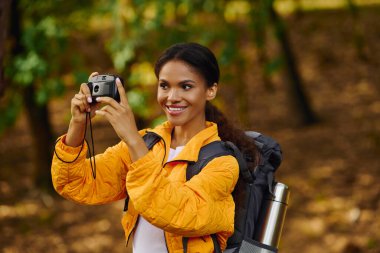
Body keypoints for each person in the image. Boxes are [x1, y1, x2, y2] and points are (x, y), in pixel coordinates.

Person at [51, 42, 257, 252]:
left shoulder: (223, 162)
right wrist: (77, 124)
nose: (172, 97)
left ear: (211, 90)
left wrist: (132, 139)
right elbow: (74, 183)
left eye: (186, 86)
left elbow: (178, 213)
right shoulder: (147, 143)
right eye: (164, 85)